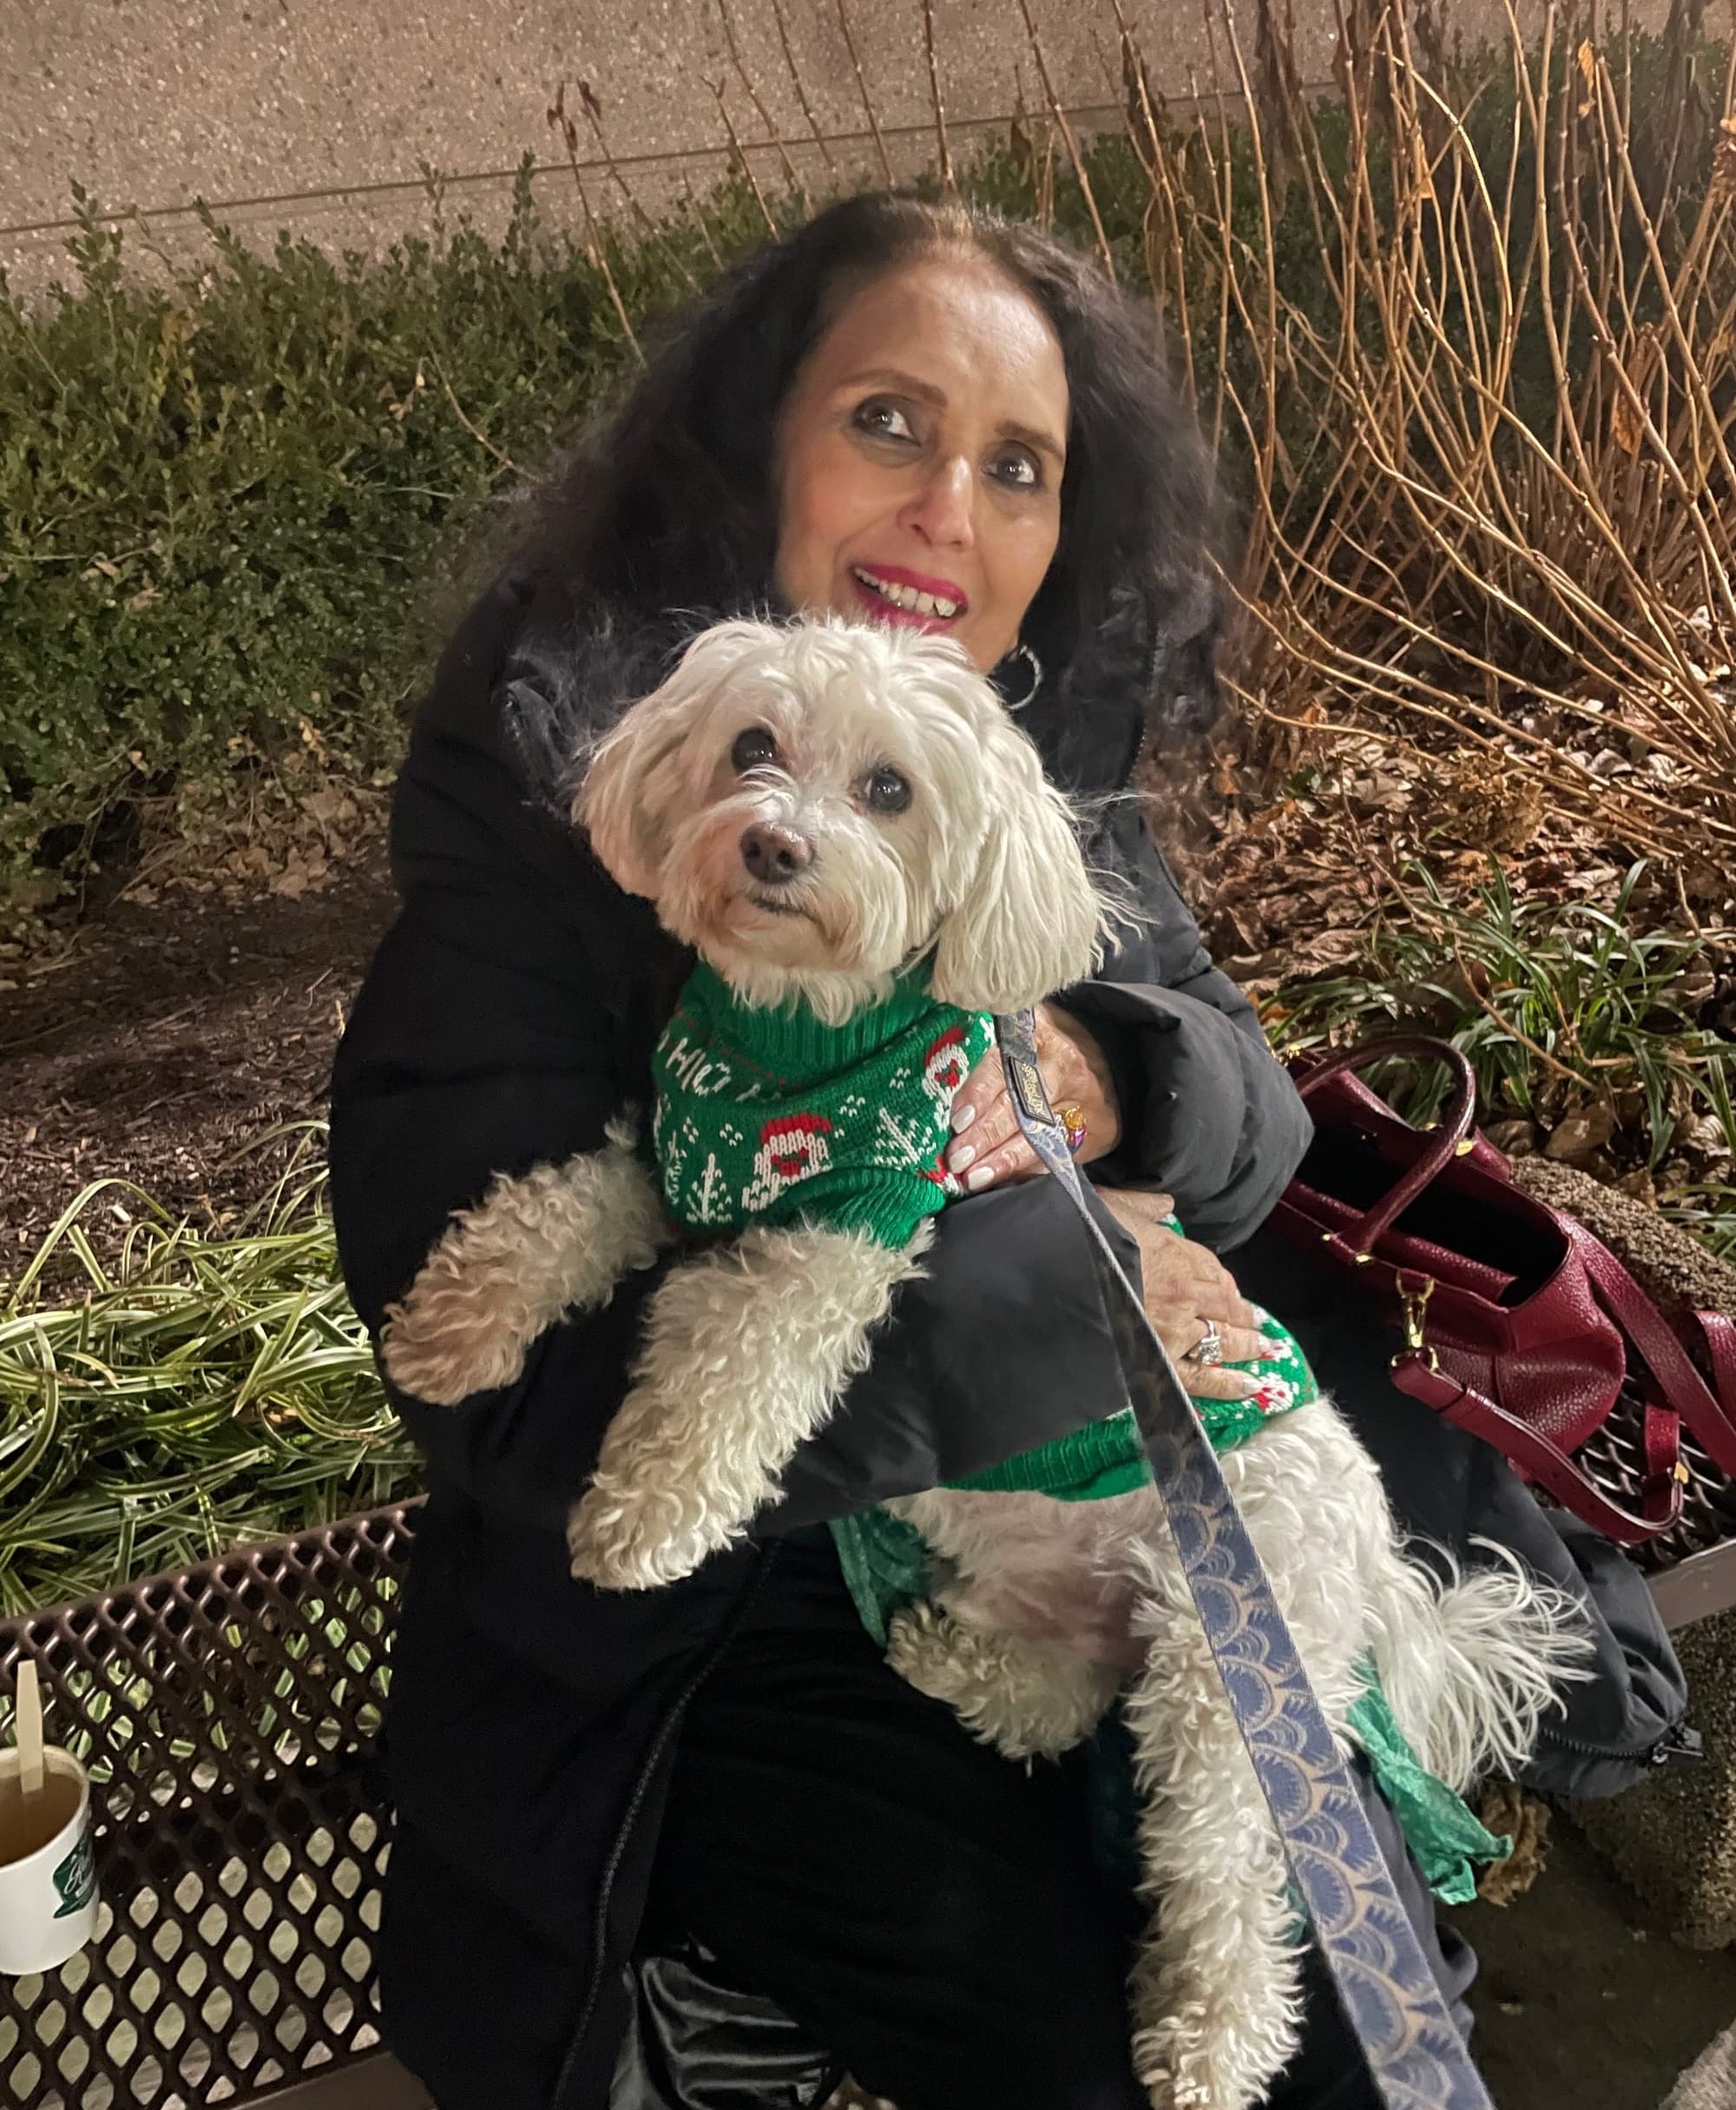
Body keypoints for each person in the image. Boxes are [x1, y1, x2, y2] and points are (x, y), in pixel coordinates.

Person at [328, 192, 1685, 2110]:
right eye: (887, 420)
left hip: (1122, 1512)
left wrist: (1119, 1073)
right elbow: (509, 1402)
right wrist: (1078, 1289)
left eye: (1018, 465)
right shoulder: (536, 806)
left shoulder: (1029, 778)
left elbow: (1252, 1106)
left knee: (1355, 2032)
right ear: (758, 443)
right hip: (712, 1627)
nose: (947, 506)